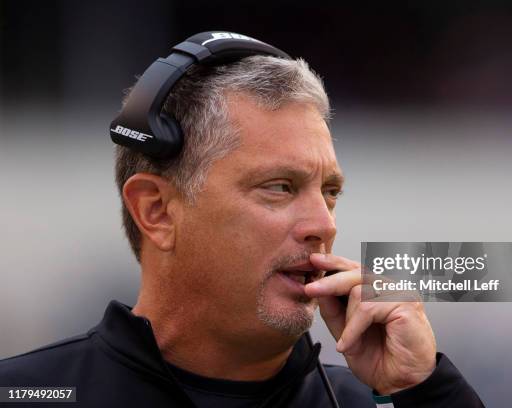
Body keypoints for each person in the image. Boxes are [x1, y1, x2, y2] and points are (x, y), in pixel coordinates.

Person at [0, 32, 484, 407]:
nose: (323, 224)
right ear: (157, 212)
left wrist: (426, 391)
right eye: (279, 187)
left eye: (330, 192)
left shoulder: (388, 401)